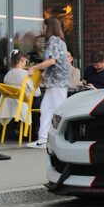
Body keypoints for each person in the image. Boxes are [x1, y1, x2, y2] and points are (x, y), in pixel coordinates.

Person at [26, 18, 70, 148]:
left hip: (58, 81)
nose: (43, 29)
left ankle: (61, 137)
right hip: (56, 81)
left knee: (58, 110)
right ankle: (43, 137)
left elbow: (52, 61)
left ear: (49, 27)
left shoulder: (54, 41)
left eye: (44, 26)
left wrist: (34, 67)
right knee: (46, 108)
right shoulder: (58, 41)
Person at [0, 50, 41, 131]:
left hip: (11, 103)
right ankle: (40, 131)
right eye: (26, 61)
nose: (26, 63)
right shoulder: (25, 74)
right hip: (24, 102)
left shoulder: (7, 75)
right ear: (22, 60)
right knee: (44, 100)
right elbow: (37, 93)